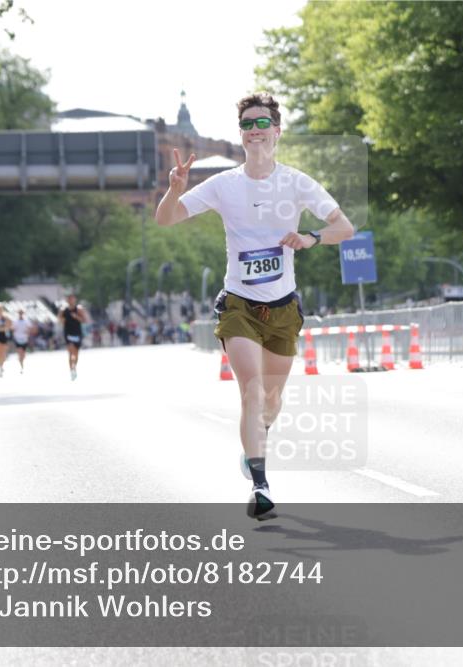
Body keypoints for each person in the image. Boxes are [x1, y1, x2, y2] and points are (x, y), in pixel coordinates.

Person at [155, 92, 354, 520]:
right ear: (241, 134)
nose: (254, 130)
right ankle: (261, 486)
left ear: (277, 131)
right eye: (247, 124)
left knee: (272, 401)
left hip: (283, 307)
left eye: (262, 123)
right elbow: (165, 219)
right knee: (251, 389)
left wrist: (312, 237)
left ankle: (256, 440)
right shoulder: (224, 184)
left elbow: (345, 227)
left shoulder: (297, 182)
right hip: (238, 304)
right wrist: (174, 191)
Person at [57, 294, 89, 380]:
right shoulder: (63, 310)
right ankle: (72, 369)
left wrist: (76, 317)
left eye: (72, 298)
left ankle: (74, 367)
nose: (70, 300)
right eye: (69, 298)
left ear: (75, 299)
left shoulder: (79, 309)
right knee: (71, 352)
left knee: (76, 353)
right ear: (67, 300)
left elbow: (84, 320)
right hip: (68, 333)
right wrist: (62, 319)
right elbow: (59, 320)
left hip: (77, 333)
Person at [0, 302, 12, 378]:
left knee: (3, 352)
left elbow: (8, 326)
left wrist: (0, 328)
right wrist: (2, 328)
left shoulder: (6, 317)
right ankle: (0, 367)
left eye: (0, 308)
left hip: (4, 336)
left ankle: (2, 365)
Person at [12, 308, 31, 373]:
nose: (20, 314)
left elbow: (30, 328)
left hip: (25, 338)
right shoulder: (15, 321)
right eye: (19, 313)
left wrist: (27, 332)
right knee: (20, 353)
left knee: (23, 354)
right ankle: (21, 366)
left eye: (21, 313)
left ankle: (22, 362)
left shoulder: (26, 321)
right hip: (17, 338)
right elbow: (13, 329)